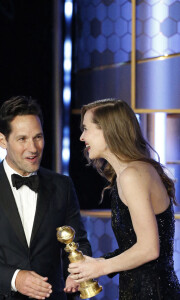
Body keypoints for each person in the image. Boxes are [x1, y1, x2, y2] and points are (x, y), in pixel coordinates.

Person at [0, 95, 92, 300]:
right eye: (22, 139)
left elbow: (77, 241)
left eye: (38, 137)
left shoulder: (62, 186)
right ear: (2, 140)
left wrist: (76, 272)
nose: (33, 148)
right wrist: (14, 278)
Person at [68, 99, 180, 299]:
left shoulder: (131, 176)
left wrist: (100, 267)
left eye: (86, 129)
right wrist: (94, 264)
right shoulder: (133, 172)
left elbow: (149, 249)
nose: (82, 137)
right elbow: (135, 246)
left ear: (108, 130)